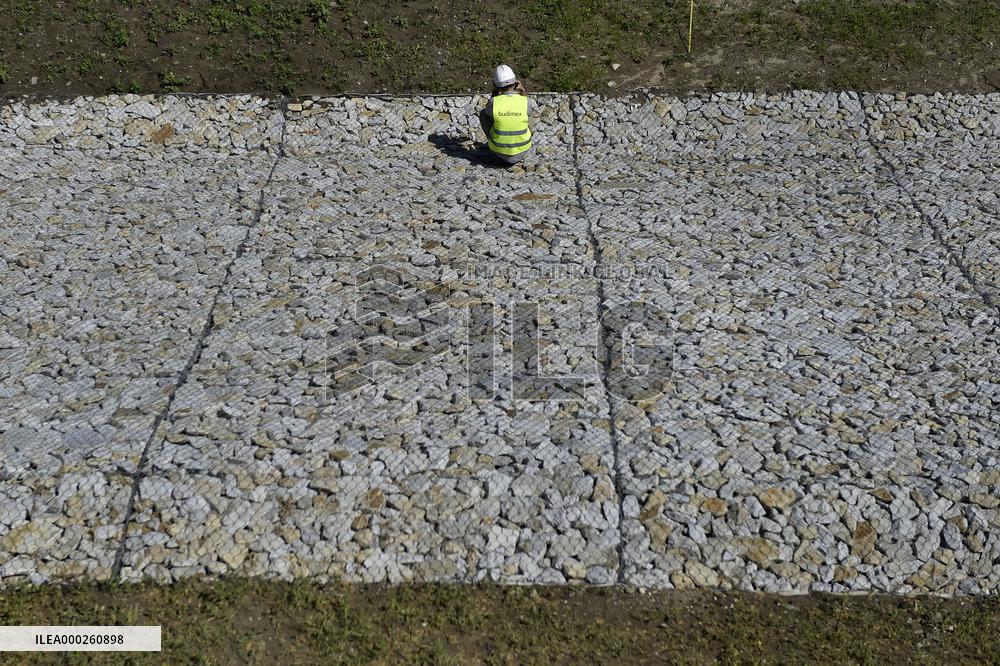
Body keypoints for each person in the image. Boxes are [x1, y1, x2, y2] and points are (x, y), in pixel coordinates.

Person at [479, 64, 533, 165]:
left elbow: (489, 112)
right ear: (516, 83)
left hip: (499, 150)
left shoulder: (493, 102)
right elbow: (526, 108)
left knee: (484, 114)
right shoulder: (526, 101)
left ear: (495, 85)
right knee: (528, 112)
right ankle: (528, 136)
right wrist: (523, 91)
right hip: (523, 148)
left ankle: (494, 140)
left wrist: (494, 94)